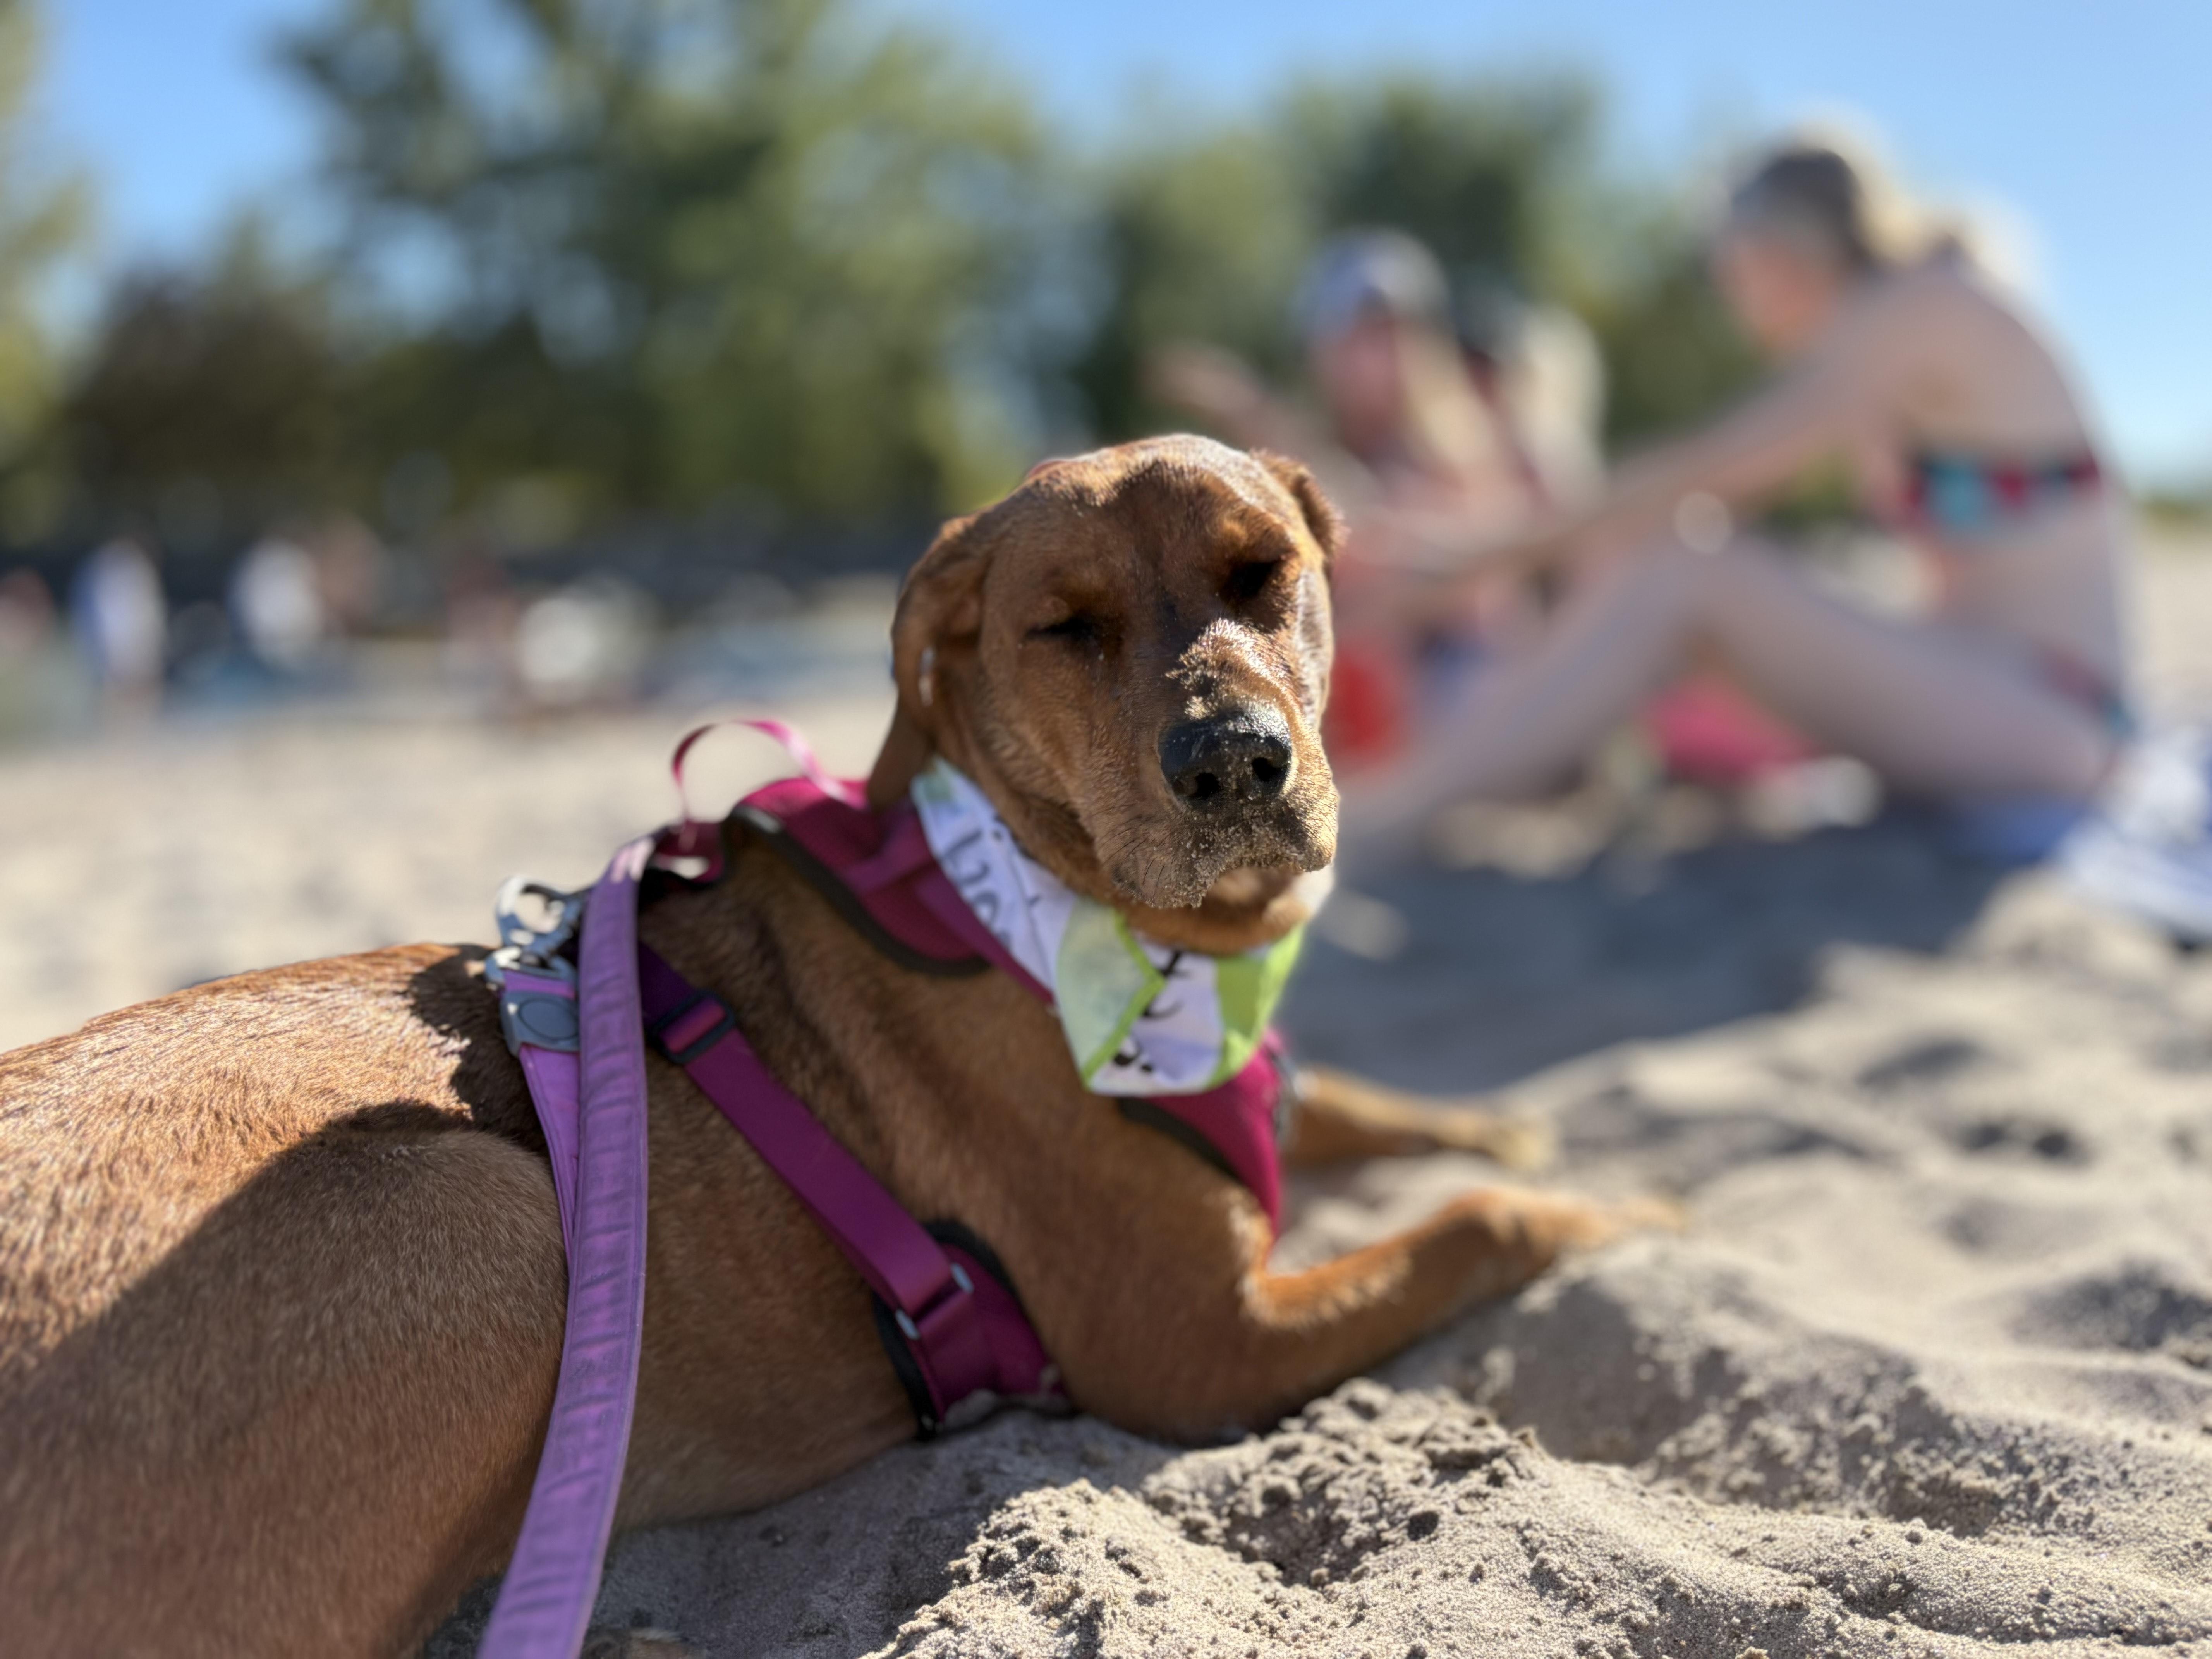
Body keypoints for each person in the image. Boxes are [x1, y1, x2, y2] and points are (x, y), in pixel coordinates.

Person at [1339, 130, 2130, 862]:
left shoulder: (1920, 309)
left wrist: (1478, 558)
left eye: (1732, 272)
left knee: (1688, 566)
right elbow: (1683, 504)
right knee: (1670, 562)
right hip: (1997, 691)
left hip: (2056, 713)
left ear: (1778, 248)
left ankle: (1397, 809)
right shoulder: (1894, 338)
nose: (1732, 301)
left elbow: (1704, 470)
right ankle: (1418, 790)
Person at [1148, 231, 1569, 764]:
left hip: (1469, 706)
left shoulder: (1464, 449)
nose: (1385, 356)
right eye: (1365, 336)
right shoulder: (1303, 458)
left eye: (1399, 334)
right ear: (1325, 349)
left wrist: (1252, 411)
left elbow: (1462, 581)